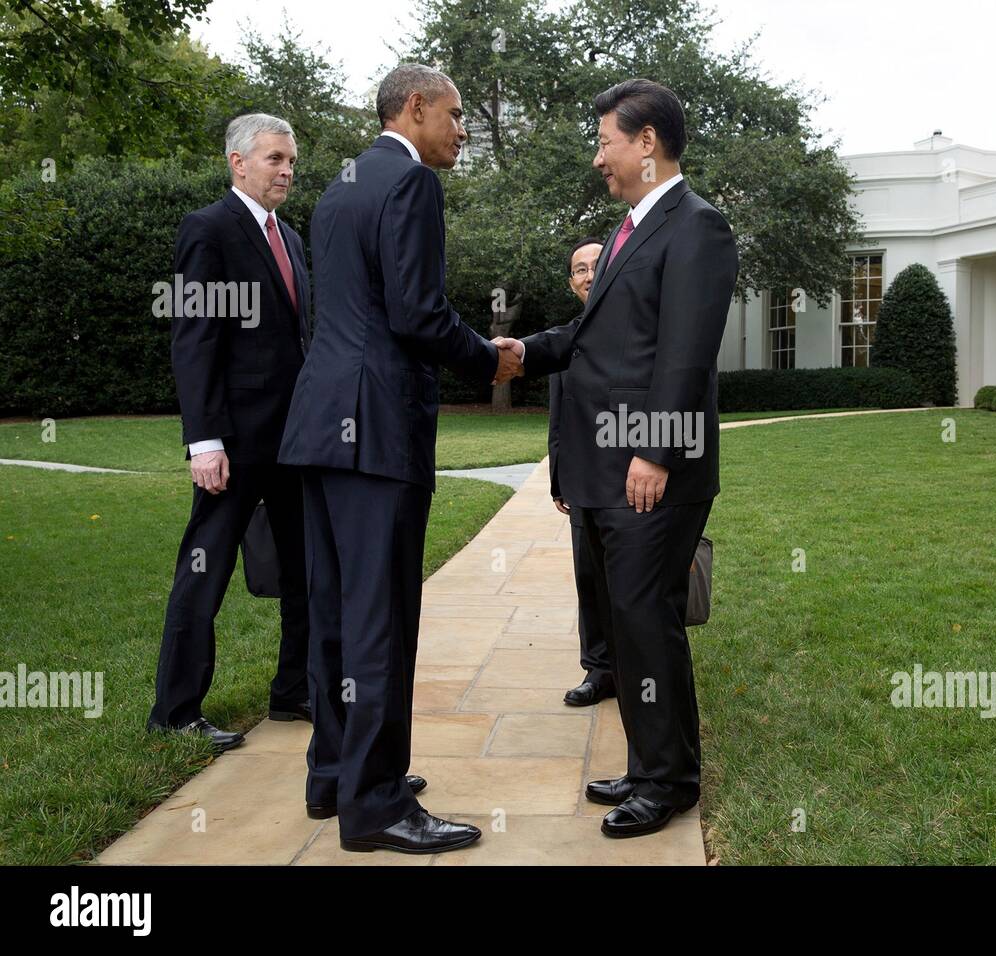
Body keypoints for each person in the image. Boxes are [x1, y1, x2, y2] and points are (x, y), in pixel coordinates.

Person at [277, 64, 522, 855]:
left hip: (318, 424)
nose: (461, 133)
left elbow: (337, 315)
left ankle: (334, 777)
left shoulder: (338, 186)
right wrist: (490, 359)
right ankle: (377, 805)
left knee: (334, 612)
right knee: (382, 620)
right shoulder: (411, 186)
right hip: (377, 431)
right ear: (412, 108)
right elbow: (418, 315)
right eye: (455, 116)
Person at [497, 79, 738, 838]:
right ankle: (646, 764)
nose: (597, 155)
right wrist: (521, 353)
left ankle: (668, 782)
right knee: (627, 622)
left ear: (646, 142)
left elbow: (685, 354)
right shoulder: (631, 229)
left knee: (645, 619)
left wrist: (656, 450)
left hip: (650, 466)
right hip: (609, 465)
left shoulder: (698, 227)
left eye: (605, 139)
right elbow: (593, 337)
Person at [148, 113, 312, 752]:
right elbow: (194, 340)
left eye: (291, 160)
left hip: (293, 441)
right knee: (205, 569)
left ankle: (294, 691)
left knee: (305, 571)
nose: (287, 171)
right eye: (275, 159)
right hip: (234, 444)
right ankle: (176, 711)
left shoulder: (292, 239)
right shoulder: (208, 230)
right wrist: (205, 440)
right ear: (238, 163)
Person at [551, 236, 617, 707]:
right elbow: (559, 421)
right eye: (580, 269)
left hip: (630, 477)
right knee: (589, 578)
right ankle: (599, 669)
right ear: (572, 282)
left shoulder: (637, 327)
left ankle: (639, 669)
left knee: (631, 581)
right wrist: (559, 480)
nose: (589, 275)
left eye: (597, 264)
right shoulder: (565, 339)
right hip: (581, 482)